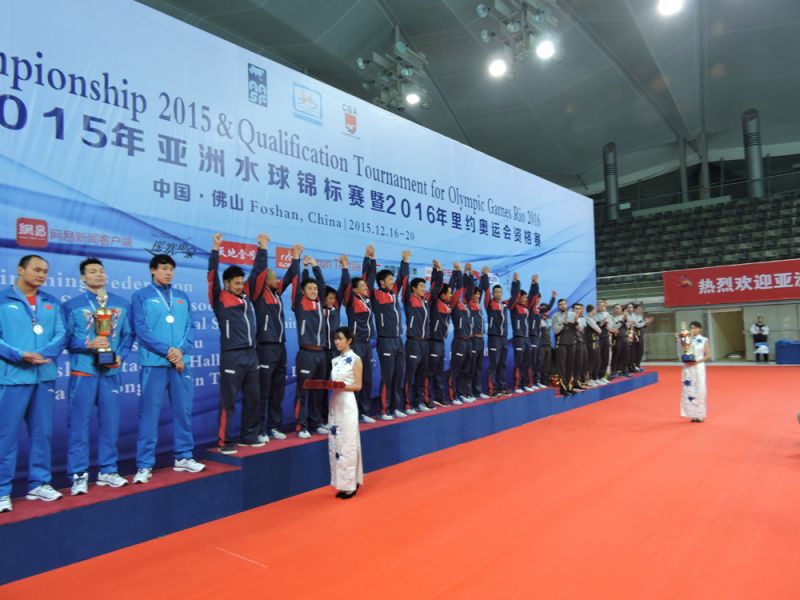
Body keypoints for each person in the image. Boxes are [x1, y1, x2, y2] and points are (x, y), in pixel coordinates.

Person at [62, 257, 134, 494]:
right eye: (92, 271)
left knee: (110, 423)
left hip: (111, 371)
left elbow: (128, 335)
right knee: (79, 425)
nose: (98, 274)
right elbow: (65, 340)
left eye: (101, 271)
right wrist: (88, 344)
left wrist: (121, 356)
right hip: (83, 371)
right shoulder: (72, 305)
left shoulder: (120, 303)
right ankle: (79, 474)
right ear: (83, 277)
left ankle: (108, 470)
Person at [0, 255, 66, 512]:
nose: (41, 275)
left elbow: (61, 334)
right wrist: (20, 355)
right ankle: (2, 490)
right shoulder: (3, 300)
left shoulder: (51, 302)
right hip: (13, 376)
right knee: (6, 435)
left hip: (44, 376)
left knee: (42, 432)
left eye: (45, 271)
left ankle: (39, 483)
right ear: (20, 270)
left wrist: (44, 353)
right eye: (36, 269)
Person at [131, 254, 205, 484]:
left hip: (181, 363)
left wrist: (180, 351)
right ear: (153, 270)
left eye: (171, 269)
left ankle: (184, 456)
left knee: (183, 411)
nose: (168, 273)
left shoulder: (182, 296)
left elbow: (191, 327)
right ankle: (144, 464)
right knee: (149, 415)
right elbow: (141, 330)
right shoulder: (141, 296)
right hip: (154, 363)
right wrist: (168, 351)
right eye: (163, 268)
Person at [209, 234, 264, 455]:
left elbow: (257, 273)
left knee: (254, 398)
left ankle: (248, 435)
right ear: (227, 284)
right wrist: (215, 250)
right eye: (236, 283)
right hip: (232, 355)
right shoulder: (219, 298)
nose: (241, 286)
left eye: (242, 283)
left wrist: (262, 249)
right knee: (228, 400)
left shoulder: (247, 297)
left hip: (252, 354)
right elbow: (212, 276)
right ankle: (224, 440)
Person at [250, 240, 301, 441]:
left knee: (277, 390)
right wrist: (263, 248)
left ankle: (273, 426)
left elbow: (289, 277)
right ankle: (260, 429)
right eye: (273, 277)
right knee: (263, 391)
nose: (276, 280)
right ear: (265, 280)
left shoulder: (276, 293)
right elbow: (258, 272)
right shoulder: (258, 293)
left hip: (280, 347)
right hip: (265, 347)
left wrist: (295, 257)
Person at [370, 249, 409, 420]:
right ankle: (384, 410)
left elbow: (402, 279)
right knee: (388, 376)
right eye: (389, 280)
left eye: (393, 280)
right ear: (382, 282)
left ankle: (394, 408)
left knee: (399, 375)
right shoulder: (376, 295)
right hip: (385, 341)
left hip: (398, 340)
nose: (393, 282)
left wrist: (405, 261)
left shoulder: (394, 294)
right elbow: (369, 278)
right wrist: (371, 259)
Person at [292, 255, 328, 438]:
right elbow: (298, 282)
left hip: (321, 353)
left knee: (318, 392)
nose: (314, 291)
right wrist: (304, 266)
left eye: (315, 289)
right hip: (306, 354)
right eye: (310, 288)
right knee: (303, 392)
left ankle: (316, 423)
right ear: (303, 291)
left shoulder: (319, 303)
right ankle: (302, 426)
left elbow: (322, 285)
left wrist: (314, 266)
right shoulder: (300, 303)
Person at [328, 327, 364, 499]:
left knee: (349, 443)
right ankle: (341, 483)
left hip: (347, 403)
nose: (337, 341)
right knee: (336, 444)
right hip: (335, 403)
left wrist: (340, 386)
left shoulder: (356, 359)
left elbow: (358, 385)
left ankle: (351, 484)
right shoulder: (334, 360)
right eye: (335, 338)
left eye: (340, 338)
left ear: (349, 340)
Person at [343, 246, 377, 423]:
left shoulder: (366, 300)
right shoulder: (351, 301)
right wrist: (345, 267)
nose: (366, 287)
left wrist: (371, 258)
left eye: (365, 286)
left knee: (367, 379)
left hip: (367, 344)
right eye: (362, 287)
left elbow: (369, 276)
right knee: (355, 380)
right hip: (355, 344)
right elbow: (349, 284)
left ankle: (364, 412)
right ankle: (352, 413)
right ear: (355, 290)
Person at [401, 252, 434, 413]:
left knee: (422, 374)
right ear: (414, 288)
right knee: (411, 374)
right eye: (420, 286)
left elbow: (436, 287)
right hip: (413, 342)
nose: (423, 288)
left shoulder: (425, 302)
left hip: (425, 342)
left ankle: (419, 401)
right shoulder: (409, 299)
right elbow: (404, 282)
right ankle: (408, 404)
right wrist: (406, 262)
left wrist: (437, 270)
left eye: (424, 286)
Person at [428, 261, 458, 407]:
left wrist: (456, 272)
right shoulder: (434, 303)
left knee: (439, 371)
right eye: (449, 293)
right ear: (442, 294)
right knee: (430, 372)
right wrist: (437, 271)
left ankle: (439, 397)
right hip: (433, 341)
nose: (451, 295)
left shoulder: (447, 305)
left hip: (441, 342)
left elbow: (450, 286)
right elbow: (435, 287)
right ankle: (428, 399)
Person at [484, 272, 520, 396]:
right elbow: (486, 291)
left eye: (500, 292)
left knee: (503, 364)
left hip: (504, 338)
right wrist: (484, 276)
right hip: (494, 338)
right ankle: (492, 389)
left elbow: (515, 297)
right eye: (496, 292)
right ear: (493, 293)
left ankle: (501, 387)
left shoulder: (504, 304)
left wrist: (516, 282)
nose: (498, 294)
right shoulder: (489, 304)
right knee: (494, 364)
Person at [527, 276, 556, 391]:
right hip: (536, 340)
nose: (538, 300)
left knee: (543, 364)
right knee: (537, 363)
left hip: (544, 342)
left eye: (539, 298)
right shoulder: (532, 309)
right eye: (536, 298)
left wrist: (553, 298)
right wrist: (534, 283)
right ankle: (535, 381)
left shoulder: (543, 314)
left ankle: (542, 381)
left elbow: (548, 308)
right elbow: (532, 297)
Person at [679, 321, 711, 423]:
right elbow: (684, 351)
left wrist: (697, 362)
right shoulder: (686, 339)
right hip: (688, 367)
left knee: (700, 389)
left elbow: (708, 355)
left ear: (700, 329)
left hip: (698, 366)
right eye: (692, 328)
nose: (693, 330)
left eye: (696, 328)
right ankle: (692, 414)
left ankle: (700, 415)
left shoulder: (704, 340)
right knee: (689, 389)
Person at [467, 267, 490, 399]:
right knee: (471, 366)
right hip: (473, 339)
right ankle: (468, 392)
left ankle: (477, 391)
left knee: (478, 368)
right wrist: (470, 275)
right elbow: (472, 288)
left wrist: (484, 275)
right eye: (475, 294)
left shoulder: (478, 305)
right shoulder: (469, 305)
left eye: (478, 295)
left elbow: (481, 288)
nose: (477, 296)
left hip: (481, 340)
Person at [552, 298, 577, 395]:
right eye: (560, 304)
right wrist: (563, 324)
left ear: (567, 305)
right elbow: (555, 331)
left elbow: (580, 329)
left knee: (570, 366)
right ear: (558, 306)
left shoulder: (573, 314)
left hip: (571, 344)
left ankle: (569, 387)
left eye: (564, 304)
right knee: (561, 367)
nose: (562, 306)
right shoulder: (555, 316)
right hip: (561, 344)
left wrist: (576, 323)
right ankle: (563, 389)